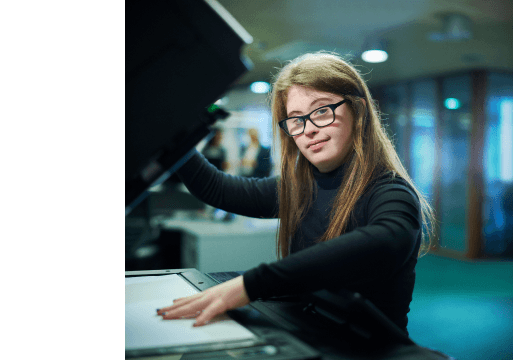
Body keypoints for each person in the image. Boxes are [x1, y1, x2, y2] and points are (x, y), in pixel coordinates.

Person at [157, 52, 435, 334]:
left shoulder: (390, 192)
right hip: (310, 335)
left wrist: (251, 284)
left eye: (322, 111)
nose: (309, 129)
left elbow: (382, 241)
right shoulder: (300, 189)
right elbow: (218, 189)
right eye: (296, 119)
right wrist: (172, 135)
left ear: (358, 110)